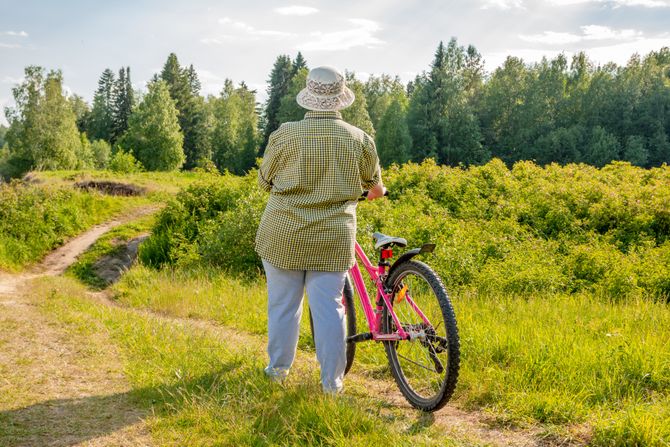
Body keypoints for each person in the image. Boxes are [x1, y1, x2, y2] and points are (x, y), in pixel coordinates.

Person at [255, 66, 385, 393]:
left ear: (309, 97)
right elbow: (376, 188)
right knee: (330, 310)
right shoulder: (359, 139)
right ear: (341, 98)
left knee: (283, 306)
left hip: (282, 234)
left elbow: (264, 182)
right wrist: (354, 193)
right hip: (333, 238)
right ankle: (332, 386)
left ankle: (278, 372)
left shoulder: (284, 134)